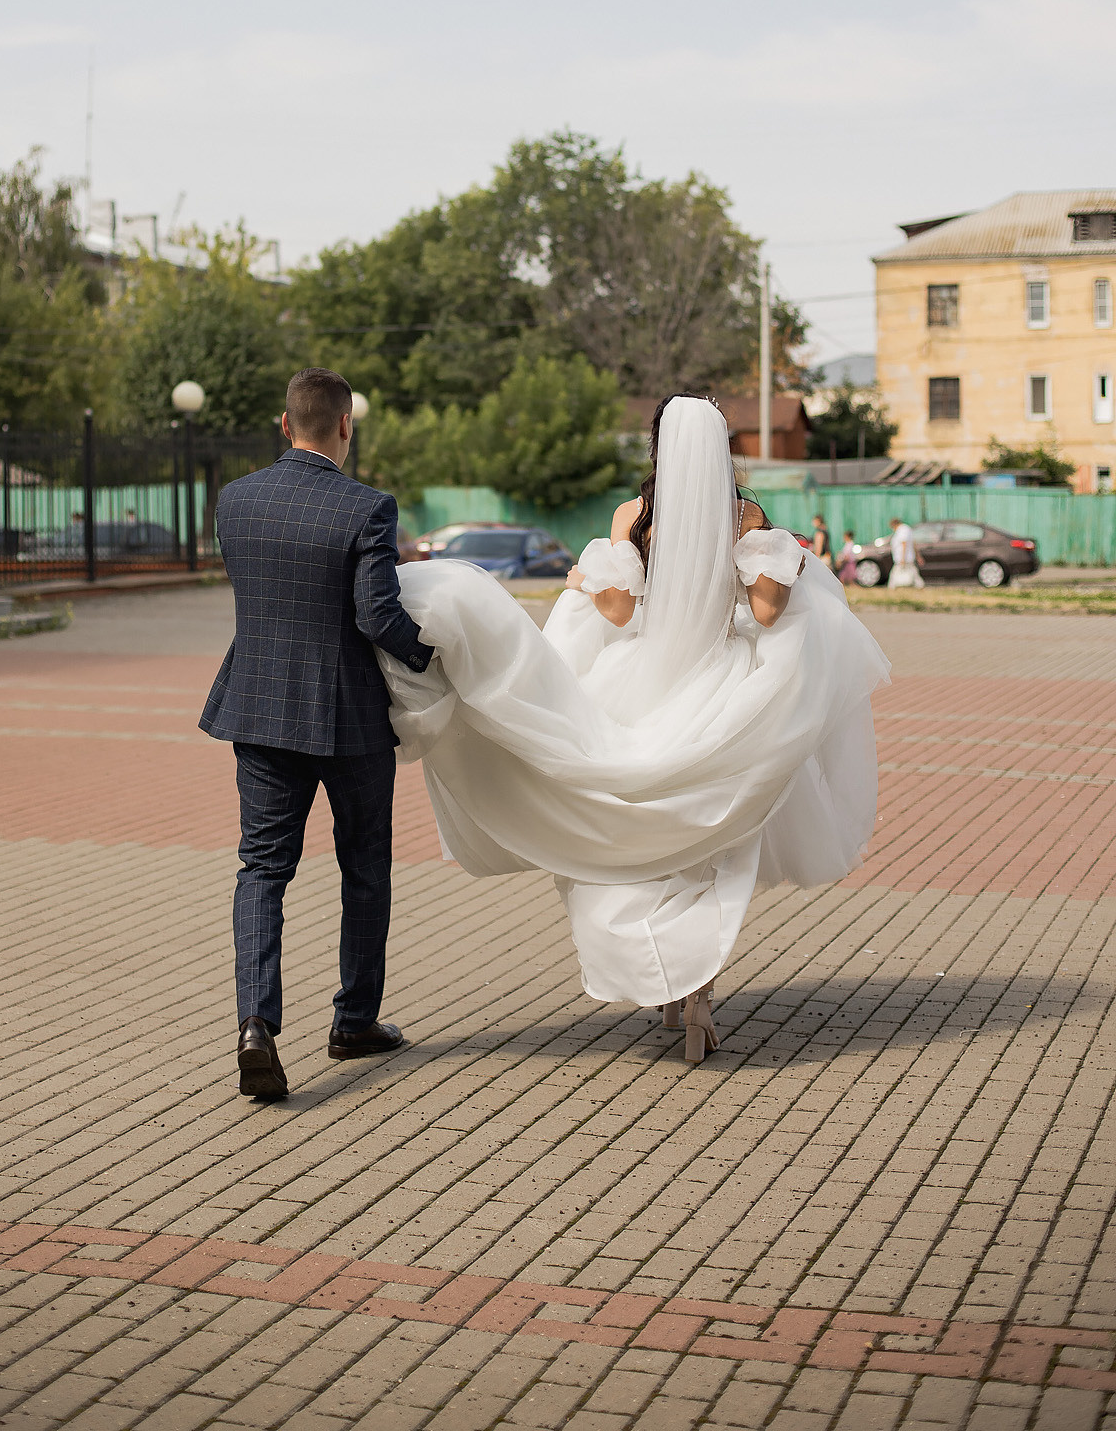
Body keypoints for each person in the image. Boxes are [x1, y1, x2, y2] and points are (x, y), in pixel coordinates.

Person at [376, 396, 889, 1065]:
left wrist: (588, 582)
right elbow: (766, 615)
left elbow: (619, 614)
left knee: (637, 830)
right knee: (708, 839)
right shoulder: (749, 519)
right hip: (720, 684)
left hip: (637, 682)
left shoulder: (634, 516)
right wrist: (778, 560)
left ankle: (667, 984)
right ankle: (698, 994)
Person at [201, 367, 434, 1101]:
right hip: (349, 715)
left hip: (260, 708)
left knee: (261, 869)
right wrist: (435, 657)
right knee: (364, 866)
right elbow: (378, 619)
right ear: (345, 425)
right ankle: (353, 1022)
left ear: (283, 424)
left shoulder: (235, 500)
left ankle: (255, 1026)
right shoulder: (366, 507)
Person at [887, 515, 924, 588]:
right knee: (913, 571)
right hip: (905, 557)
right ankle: (920, 585)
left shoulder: (903, 530)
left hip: (904, 557)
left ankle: (891, 587)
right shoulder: (905, 529)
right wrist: (918, 556)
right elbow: (913, 543)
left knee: (896, 572)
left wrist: (902, 558)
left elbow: (904, 544)